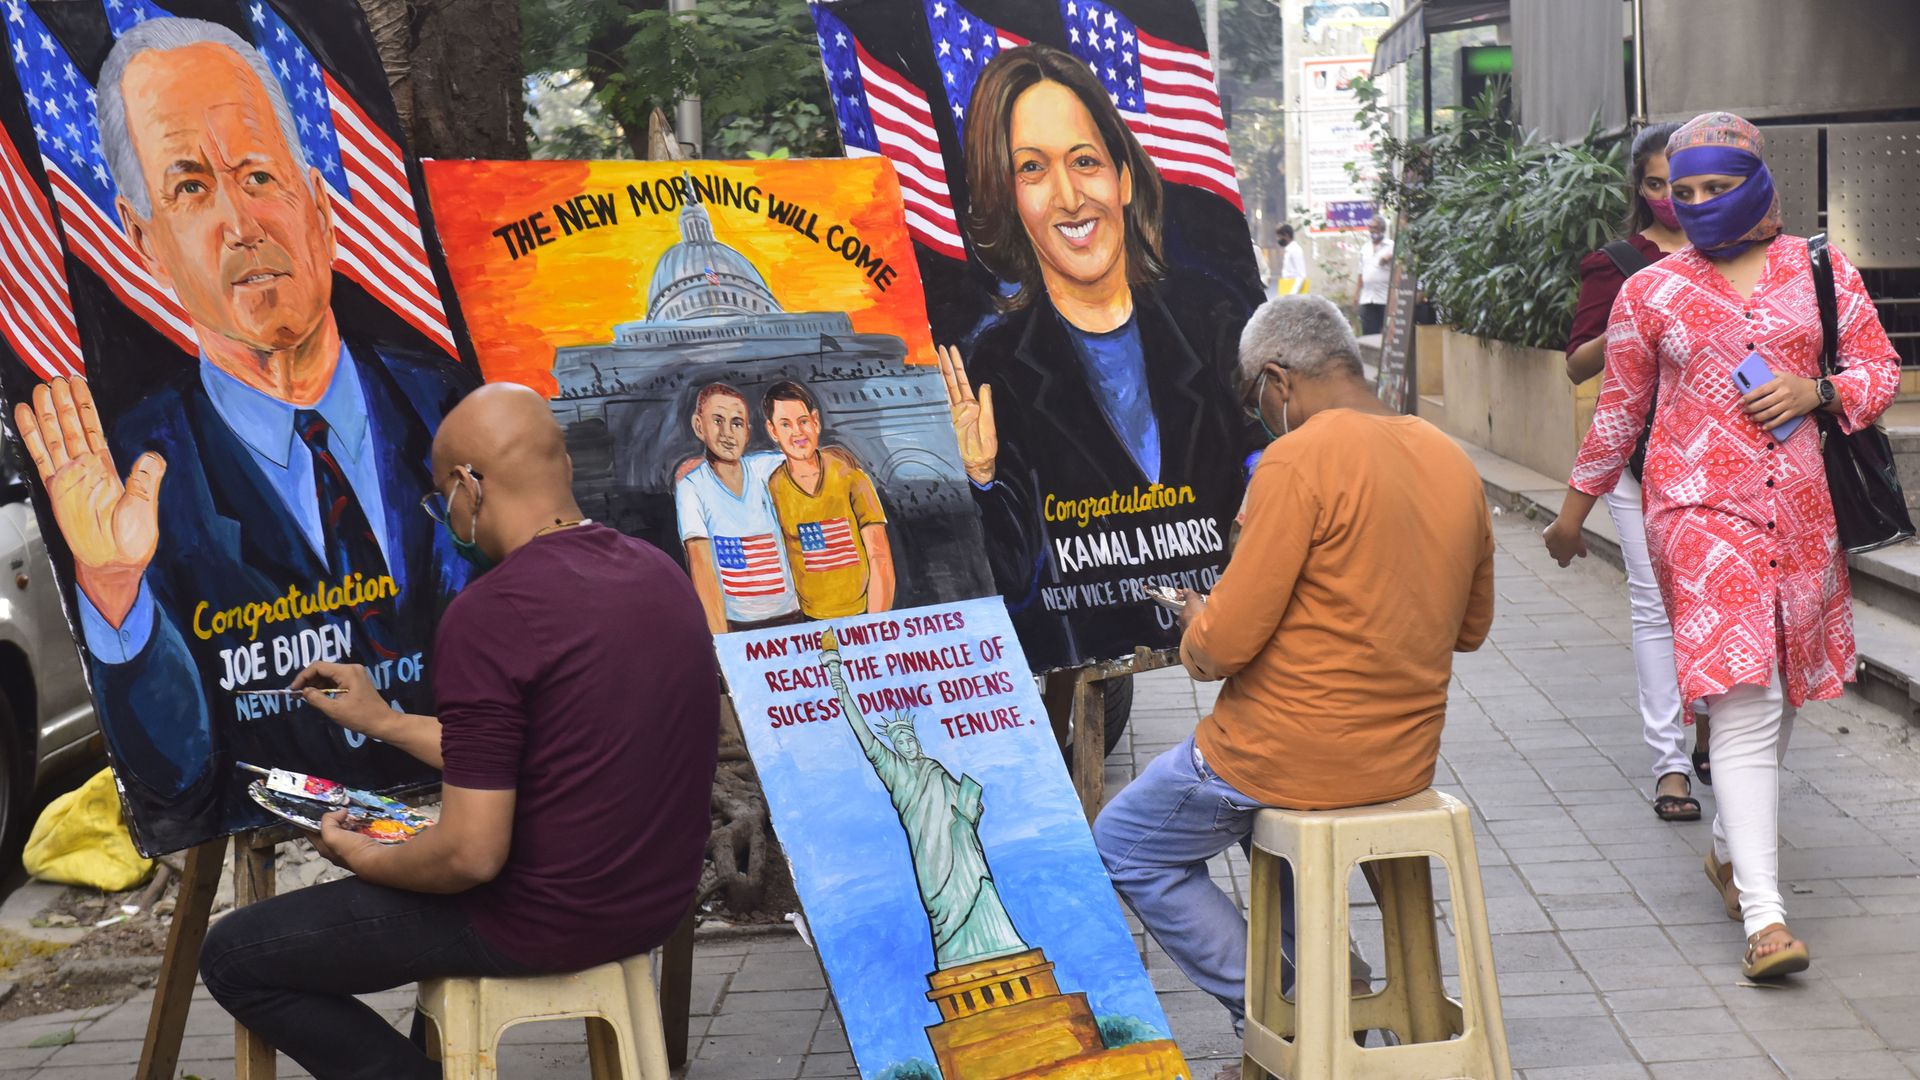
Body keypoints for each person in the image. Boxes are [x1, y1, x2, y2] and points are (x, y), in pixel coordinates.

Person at [10, 17, 471, 852]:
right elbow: (181, 781)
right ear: (141, 238)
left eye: (258, 175)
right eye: (189, 188)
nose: (241, 223)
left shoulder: (455, 415)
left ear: (318, 203)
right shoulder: (129, 481)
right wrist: (115, 590)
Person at [197, 384, 719, 1078]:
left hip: (540, 918)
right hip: (652, 905)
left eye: (443, 500)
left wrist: (363, 856)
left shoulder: (492, 613)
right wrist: (384, 722)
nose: (446, 517)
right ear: (559, 464)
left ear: (469, 485)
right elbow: (550, 747)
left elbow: (471, 856)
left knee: (235, 957)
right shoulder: (657, 573)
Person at [1542, 113, 1901, 979]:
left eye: (1715, 187)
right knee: (1742, 697)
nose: (1696, 203)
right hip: (1695, 512)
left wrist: (1815, 391)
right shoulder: (1650, 292)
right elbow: (1620, 410)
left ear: (1759, 184)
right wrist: (1571, 511)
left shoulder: (1819, 270)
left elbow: (1879, 371)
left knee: (1771, 698)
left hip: (1802, 514)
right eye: (1682, 190)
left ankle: (1727, 846)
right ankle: (1765, 921)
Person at [1093, 295, 1494, 1046]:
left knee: (1123, 843)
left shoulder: (1296, 459)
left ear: (1279, 380)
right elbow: (1469, 630)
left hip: (1281, 754)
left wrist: (1198, 621)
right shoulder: (1450, 458)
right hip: (1401, 760)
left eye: (1254, 402)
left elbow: (1221, 650)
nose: (1259, 418)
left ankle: (1292, 1018)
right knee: (1260, 832)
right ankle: (1332, 985)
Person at [937, 44, 1254, 670]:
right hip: (1080, 644)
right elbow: (1008, 582)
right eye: (1031, 169)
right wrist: (979, 479)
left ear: (1124, 177)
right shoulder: (992, 370)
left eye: (1085, 161)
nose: (1069, 197)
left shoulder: (1213, 318)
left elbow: (1270, 457)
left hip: (1237, 625)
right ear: (1009, 200)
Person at [1562, 122, 1705, 822]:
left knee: (1713, 602)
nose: (1673, 199)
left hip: (1721, 460)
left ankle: (1712, 723)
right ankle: (1670, 765)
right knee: (1655, 609)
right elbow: (1578, 363)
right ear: (1640, 189)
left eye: (1687, 186)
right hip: (1636, 458)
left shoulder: (1743, 253)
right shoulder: (1618, 262)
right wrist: (1634, 309)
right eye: (1658, 185)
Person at [675, 382, 802, 633]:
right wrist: (721, 644)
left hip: (792, 618)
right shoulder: (692, 487)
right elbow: (702, 570)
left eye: (736, 423)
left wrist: (840, 456)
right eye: (717, 421)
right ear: (699, 426)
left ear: (747, 431)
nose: (727, 433)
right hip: (737, 625)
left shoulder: (768, 469)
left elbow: (814, 460)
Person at [762, 381, 894, 618]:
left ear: (815, 421)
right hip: (809, 619)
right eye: (785, 424)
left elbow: (879, 556)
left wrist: (876, 623)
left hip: (863, 613)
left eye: (803, 421)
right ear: (773, 431)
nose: (797, 432)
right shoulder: (774, 486)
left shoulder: (850, 474)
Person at [1353, 215, 1393, 336]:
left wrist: (1391, 256)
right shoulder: (1365, 248)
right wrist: (1356, 293)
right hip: (1367, 297)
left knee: (1386, 333)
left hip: (1385, 298)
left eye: (1375, 228)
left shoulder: (1392, 246)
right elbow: (1361, 272)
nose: (1372, 231)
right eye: (1370, 227)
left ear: (1382, 229)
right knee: (1369, 333)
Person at [1274, 223, 1307, 295]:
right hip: (1287, 289)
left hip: (1294, 292)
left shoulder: (1295, 250)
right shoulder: (1289, 250)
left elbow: (1301, 275)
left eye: (1279, 237)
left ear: (1286, 235)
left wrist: (1292, 293)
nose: (1278, 239)